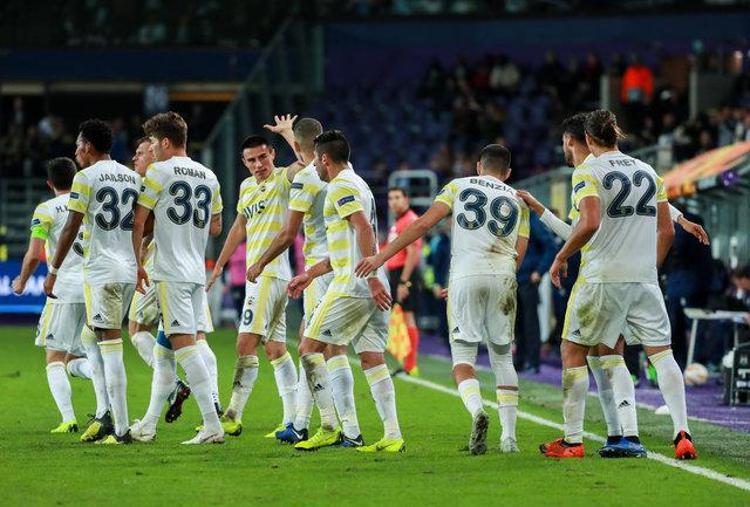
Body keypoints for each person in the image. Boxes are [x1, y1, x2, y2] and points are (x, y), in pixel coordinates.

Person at [520, 112, 708, 459]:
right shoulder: (648, 171)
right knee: (661, 355)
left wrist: (561, 256)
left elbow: (587, 225)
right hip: (644, 280)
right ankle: (681, 433)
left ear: (588, 139)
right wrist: (650, 266)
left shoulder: (588, 172)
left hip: (602, 278)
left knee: (573, 350)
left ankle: (573, 441)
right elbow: (665, 230)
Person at [357, 144, 528, 455]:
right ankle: (509, 439)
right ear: (508, 173)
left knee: (463, 357)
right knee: (503, 357)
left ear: (478, 166)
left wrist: (381, 256)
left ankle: (477, 410)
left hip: (465, 275)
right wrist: (503, 279)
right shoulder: (518, 199)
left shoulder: (458, 186)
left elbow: (423, 224)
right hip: (504, 276)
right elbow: (521, 249)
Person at [245, 116, 364, 446]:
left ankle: (335, 426)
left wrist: (260, 262)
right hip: (343, 262)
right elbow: (306, 157)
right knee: (328, 346)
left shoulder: (306, 178)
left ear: (299, 146)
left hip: (319, 269)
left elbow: (288, 234)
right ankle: (306, 423)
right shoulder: (343, 171)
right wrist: (288, 134)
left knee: (314, 347)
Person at [288, 130, 404, 453]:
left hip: (354, 285)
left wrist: (371, 277)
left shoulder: (340, 186)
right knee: (371, 358)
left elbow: (363, 228)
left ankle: (328, 426)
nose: (314, 166)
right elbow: (348, 246)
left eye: (315, 161)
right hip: (367, 281)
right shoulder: (360, 184)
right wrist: (310, 274)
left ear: (324, 159)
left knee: (309, 346)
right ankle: (392, 434)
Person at [129, 111, 224, 445]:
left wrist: (136, 263)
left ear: (166, 142)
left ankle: (213, 424)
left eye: (154, 143)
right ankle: (149, 425)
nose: (153, 150)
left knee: (186, 350)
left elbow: (138, 221)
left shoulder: (159, 171)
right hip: (195, 271)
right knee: (163, 352)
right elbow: (216, 226)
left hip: (170, 273)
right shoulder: (209, 176)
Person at [44, 119, 141, 444]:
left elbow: (71, 226)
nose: (76, 151)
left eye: (77, 145)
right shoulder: (132, 176)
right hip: (127, 270)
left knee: (110, 350)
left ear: (87, 146)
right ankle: (102, 413)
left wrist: (54, 270)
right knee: (88, 337)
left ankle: (121, 429)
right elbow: (145, 221)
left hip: (103, 272)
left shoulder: (85, 177)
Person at [207, 125, 303, 438]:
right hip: (261, 276)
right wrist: (219, 264)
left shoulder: (283, 178)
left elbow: (306, 163)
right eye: (252, 160)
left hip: (269, 275)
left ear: (272, 154)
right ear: (244, 162)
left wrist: (288, 134)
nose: (259, 164)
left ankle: (232, 415)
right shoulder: (247, 186)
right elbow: (239, 227)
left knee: (244, 343)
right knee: (275, 349)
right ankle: (292, 420)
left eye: (263, 157)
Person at [13, 157, 99, 434]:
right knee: (76, 359)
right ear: (75, 179)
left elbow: (34, 253)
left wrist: (21, 281)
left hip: (63, 290)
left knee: (54, 358)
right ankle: (103, 398)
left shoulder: (46, 210)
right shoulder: (90, 204)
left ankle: (68, 419)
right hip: (93, 288)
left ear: (49, 183)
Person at [126, 136, 191, 423]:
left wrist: (138, 258)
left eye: (141, 152)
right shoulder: (182, 177)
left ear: (155, 154)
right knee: (177, 337)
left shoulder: (154, 181)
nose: (135, 158)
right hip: (186, 266)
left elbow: (145, 226)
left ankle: (177, 387)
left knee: (137, 329)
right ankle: (209, 407)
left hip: (158, 265)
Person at [386, 187, 423, 376]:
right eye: (390, 198)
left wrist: (403, 282)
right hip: (397, 274)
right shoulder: (399, 221)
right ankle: (406, 363)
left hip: (404, 274)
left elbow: (413, 253)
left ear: (406, 200)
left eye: (397, 197)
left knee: (408, 317)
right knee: (401, 318)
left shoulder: (409, 220)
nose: (393, 201)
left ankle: (411, 366)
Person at [514, 212, 555, 374]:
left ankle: (533, 361)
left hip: (528, 279)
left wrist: (539, 271)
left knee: (530, 322)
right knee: (517, 323)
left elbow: (550, 247)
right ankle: (520, 360)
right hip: (513, 278)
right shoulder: (513, 219)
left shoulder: (532, 221)